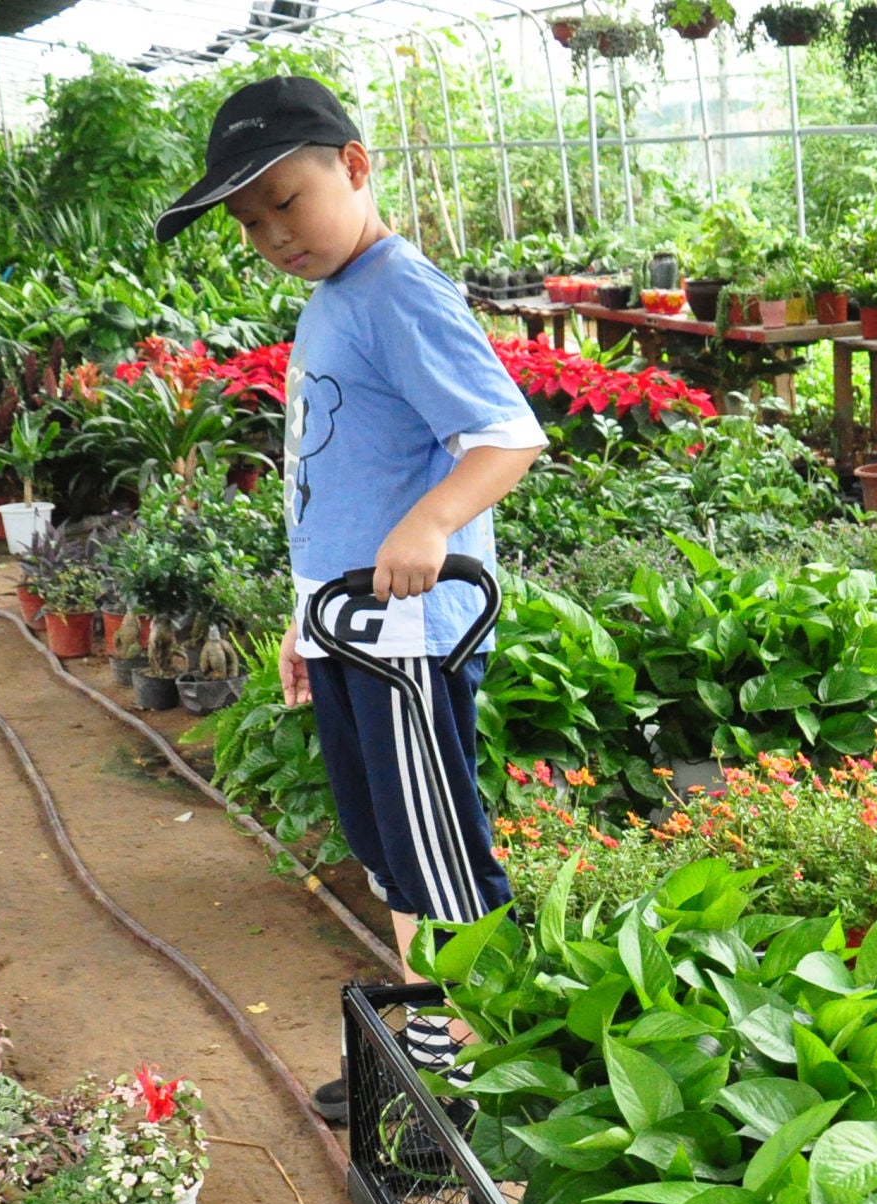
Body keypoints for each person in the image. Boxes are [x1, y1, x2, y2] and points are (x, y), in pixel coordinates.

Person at [155, 75, 543, 1120]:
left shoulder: (400, 288)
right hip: (356, 630)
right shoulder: (334, 298)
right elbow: (337, 486)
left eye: (286, 199)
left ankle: (466, 1078)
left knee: (440, 858)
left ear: (355, 166)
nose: (273, 232)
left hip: (412, 635)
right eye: (249, 221)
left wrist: (426, 526)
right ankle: (428, 1046)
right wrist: (307, 619)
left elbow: (507, 437)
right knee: (387, 844)